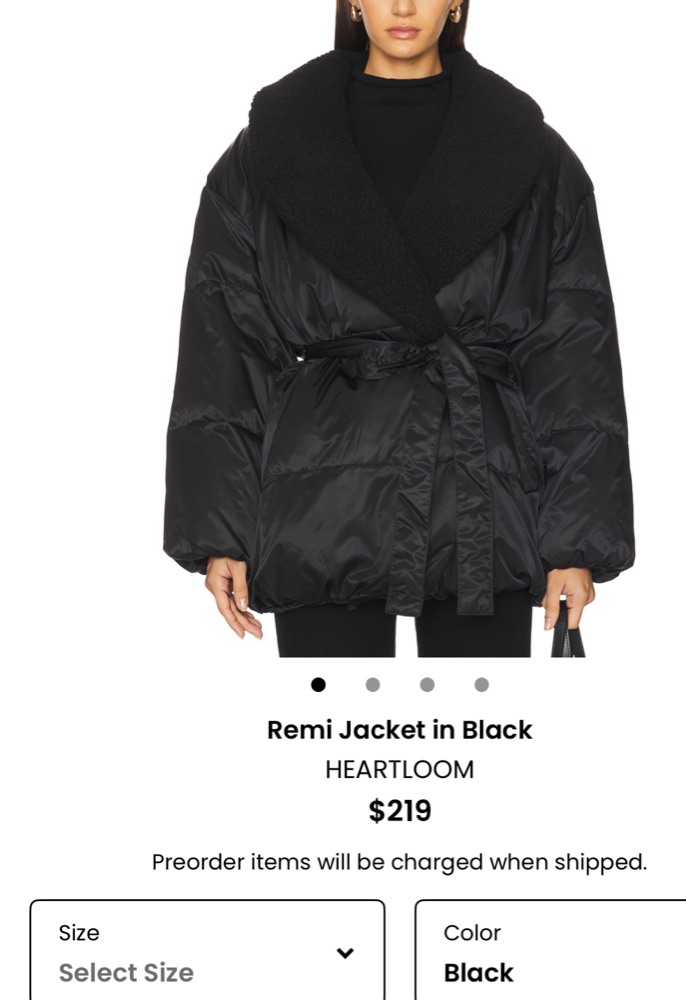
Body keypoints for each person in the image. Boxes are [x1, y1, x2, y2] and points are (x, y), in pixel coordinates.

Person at [163, 0, 635, 657]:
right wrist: (222, 531)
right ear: (353, 1)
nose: (404, 5)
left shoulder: (529, 154)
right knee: (331, 721)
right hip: (323, 496)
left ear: (457, 2)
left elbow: (573, 357)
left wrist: (574, 543)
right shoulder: (273, 149)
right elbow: (225, 346)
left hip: (482, 495)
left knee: (482, 720)